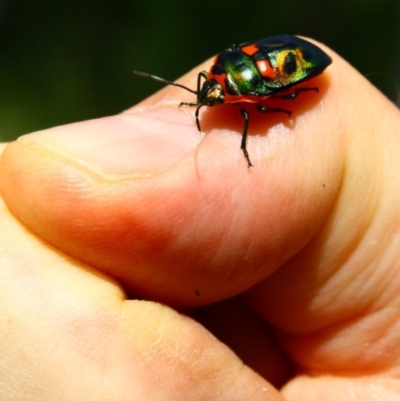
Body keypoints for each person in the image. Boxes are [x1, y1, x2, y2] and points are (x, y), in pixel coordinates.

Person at [0, 40, 399, 400]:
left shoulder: (248, 97)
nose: (207, 99)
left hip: (276, 67)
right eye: (207, 94)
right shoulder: (222, 79)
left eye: (213, 96)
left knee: (257, 112)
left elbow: (267, 102)